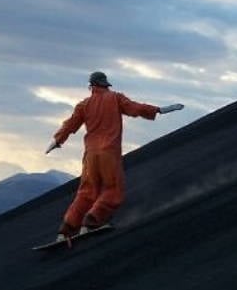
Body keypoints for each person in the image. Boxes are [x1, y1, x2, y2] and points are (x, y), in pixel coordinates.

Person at [45, 71, 184, 242]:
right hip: (109, 152)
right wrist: (160, 110)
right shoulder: (116, 98)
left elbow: (70, 124)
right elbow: (136, 108)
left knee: (85, 192)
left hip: (90, 155)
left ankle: (65, 230)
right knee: (112, 189)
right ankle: (91, 221)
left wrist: (56, 141)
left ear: (91, 86)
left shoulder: (84, 105)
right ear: (105, 85)